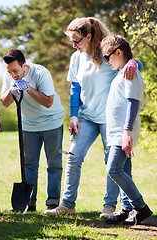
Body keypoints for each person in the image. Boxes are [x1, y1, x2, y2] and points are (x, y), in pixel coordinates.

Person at [45, 17, 138, 217]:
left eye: (76, 41)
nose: (73, 45)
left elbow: (129, 61)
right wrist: (73, 116)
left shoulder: (106, 53)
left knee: (112, 163)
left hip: (110, 118)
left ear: (89, 36)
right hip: (86, 117)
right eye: (71, 41)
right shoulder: (76, 58)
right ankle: (68, 205)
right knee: (73, 157)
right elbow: (75, 88)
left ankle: (110, 207)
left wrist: (134, 63)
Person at [0, 49, 65, 211]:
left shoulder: (41, 73)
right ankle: (29, 202)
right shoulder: (9, 75)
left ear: (24, 65)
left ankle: (53, 202)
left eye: (15, 71)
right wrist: (11, 88)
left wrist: (28, 88)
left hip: (52, 122)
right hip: (28, 125)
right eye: (10, 72)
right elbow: (5, 102)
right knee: (29, 165)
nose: (13, 75)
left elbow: (48, 102)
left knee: (54, 164)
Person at [100, 34, 152, 225]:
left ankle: (140, 207)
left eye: (107, 57)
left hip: (123, 133)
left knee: (113, 169)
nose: (106, 61)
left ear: (118, 52)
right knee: (124, 171)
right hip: (116, 133)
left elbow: (133, 103)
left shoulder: (131, 72)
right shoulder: (123, 71)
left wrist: (126, 132)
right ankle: (127, 209)